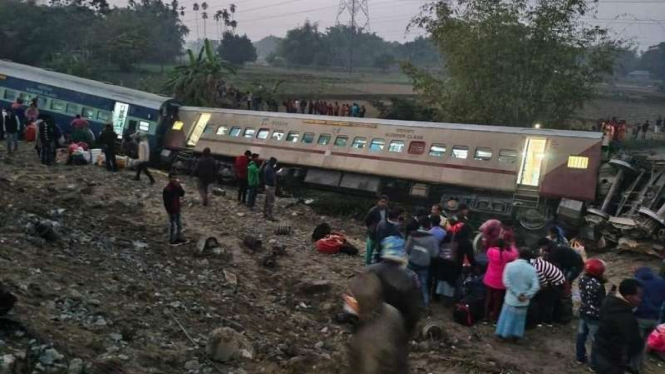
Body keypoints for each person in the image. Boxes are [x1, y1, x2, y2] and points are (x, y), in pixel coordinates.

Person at [345, 272, 409, 374]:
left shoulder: (367, 340)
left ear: (361, 302)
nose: (346, 301)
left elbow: (368, 369)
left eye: (350, 299)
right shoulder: (391, 311)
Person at [366, 231, 420, 338]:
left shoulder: (370, 270)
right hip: (396, 329)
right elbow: (413, 310)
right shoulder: (411, 277)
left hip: (370, 326)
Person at [593, 279, 644, 374]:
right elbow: (636, 344)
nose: (640, 300)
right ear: (628, 297)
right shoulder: (626, 317)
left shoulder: (608, 301)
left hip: (599, 349)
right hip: (613, 359)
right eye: (639, 296)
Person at [495, 248, 540, 342]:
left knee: (506, 318)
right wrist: (527, 295)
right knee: (519, 320)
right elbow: (536, 286)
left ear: (518, 255)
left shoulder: (509, 266)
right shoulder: (532, 270)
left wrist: (516, 293)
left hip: (511, 298)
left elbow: (506, 282)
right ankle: (516, 336)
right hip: (523, 301)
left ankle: (503, 335)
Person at [631, 266, 665, 370]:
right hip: (655, 318)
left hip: (640, 317)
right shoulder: (661, 282)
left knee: (636, 343)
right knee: (646, 342)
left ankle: (634, 366)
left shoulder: (636, 282)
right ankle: (641, 363)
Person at [576, 259, 607, 367]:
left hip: (583, 311)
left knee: (581, 335)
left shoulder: (582, 279)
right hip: (594, 316)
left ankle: (579, 357)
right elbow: (601, 301)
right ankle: (593, 364)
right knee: (595, 340)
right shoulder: (598, 285)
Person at [405, 216, 440, 310]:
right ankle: (426, 306)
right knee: (424, 285)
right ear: (430, 226)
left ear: (419, 225)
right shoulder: (432, 239)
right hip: (424, 265)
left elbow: (406, 249)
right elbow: (435, 254)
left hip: (412, 263)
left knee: (407, 283)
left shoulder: (412, 235)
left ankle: (405, 302)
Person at [484, 239, 519, 323]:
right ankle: (495, 318)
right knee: (498, 300)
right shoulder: (505, 254)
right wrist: (512, 246)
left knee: (488, 298)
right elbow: (515, 254)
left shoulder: (489, 251)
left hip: (489, 278)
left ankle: (485, 317)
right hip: (500, 281)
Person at [530, 253, 566, 326]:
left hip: (557, 283)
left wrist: (534, 292)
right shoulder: (537, 261)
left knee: (547, 301)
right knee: (550, 300)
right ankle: (554, 319)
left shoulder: (537, 268)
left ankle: (547, 321)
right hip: (558, 280)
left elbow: (544, 284)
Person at [363, 195, 390, 265]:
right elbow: (367, 220)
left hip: (382, 234)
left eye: (385, 202)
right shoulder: (373, 210)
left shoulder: (387, 211)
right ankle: (367, 264)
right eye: (382, 202)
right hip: (373, 234)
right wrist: (371, 228)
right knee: (370, 250)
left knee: (379, 251)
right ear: (378, 202)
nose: (383, 204)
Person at [163, 173, 185, 245]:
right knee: (172, 225)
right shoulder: (167, 189)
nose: (174, 179)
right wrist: (169, 210)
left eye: (175, 178)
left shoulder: (176, 187)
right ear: (169, 179)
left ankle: (178, 237)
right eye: (173, 178)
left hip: (177, 207)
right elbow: (166, 202)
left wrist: (179, 186)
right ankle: (172, 239)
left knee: (179, 224)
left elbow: (182, 194)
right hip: (172, 209)